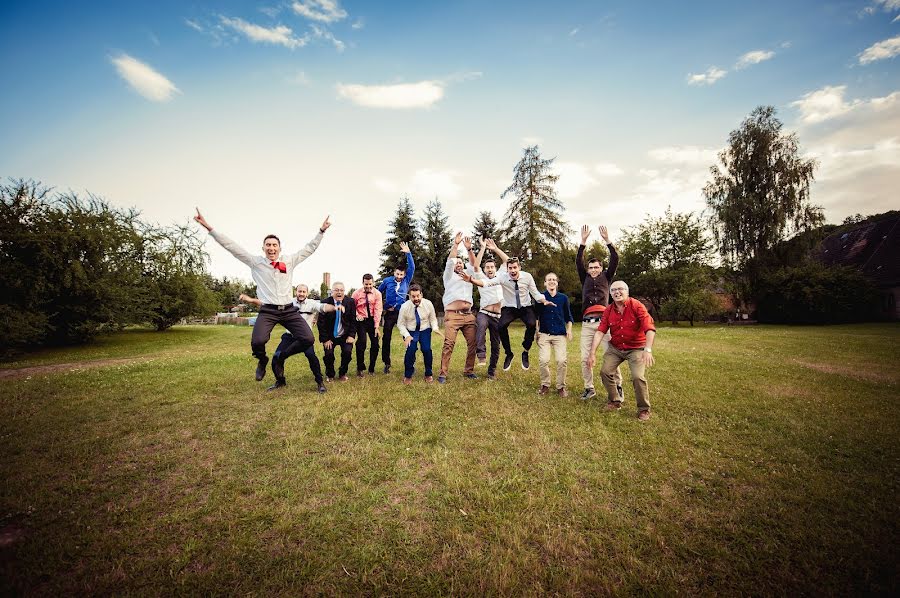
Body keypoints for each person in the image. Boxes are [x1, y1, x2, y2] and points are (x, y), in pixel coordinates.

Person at [193, 209, 330, 386]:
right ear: (263, 248)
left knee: (308, 339)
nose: (271, 248)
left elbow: (309, 248)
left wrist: (321, 231)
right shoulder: (255, 262)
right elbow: (232, 247)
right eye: (268, 245)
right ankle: (263, 360)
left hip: (288, 309)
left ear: (280, 248)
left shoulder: (289, 261)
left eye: (274, 245)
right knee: (258, 341)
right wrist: (208, 227)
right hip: (268, 310)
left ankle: (281, 357)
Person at [239, 285, 336, 393]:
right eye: (299, 291)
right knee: (276, 358)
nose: (301, 294)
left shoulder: (311, 303)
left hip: (304, 339)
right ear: (296, 292)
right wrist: (250, 300)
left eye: (304, 292)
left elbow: (322, 306)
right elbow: (266, 303)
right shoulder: (287, 302)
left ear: (307, 293)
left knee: (311, 356)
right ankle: (280, 381)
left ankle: (320, 383)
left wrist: (334, 307)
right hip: (289, 337)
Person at [587, 281, 656, 421]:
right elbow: (600, 332)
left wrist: (647, 350)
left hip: (636, 348)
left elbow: (649, 328)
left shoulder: (637, 306)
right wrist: (592, 353)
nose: (617, 292)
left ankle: (644, 409)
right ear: (610, 294)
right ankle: (615, 401)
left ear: (627, 291)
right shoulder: (608, 310)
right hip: (616, 347)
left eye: (620, 289)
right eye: (613, 290)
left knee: (638, 376)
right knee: (605, 372)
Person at [479, 239, 551, 371]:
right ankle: (509, 353)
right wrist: (471, 280)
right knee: (501, 326)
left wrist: (543, 300)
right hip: (509, 307)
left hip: (525, 306)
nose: (512, 270)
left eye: (514, 268)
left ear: (519, 268)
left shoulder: (527, 277)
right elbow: (486, 283)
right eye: (510, 268)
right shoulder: (503, 277)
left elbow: (535, 293)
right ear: (507, 269)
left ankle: (525, 350)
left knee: (531, 324)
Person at [576, 224, 622, 401]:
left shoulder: (606, 277)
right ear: (588, 270)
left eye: (596, 267)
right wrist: (583, 242)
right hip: (588, 325)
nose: (594, 270)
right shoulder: (584, 278)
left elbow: (615, 259)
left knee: (611, 356)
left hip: (605, 323)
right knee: (585, 357)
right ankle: (589, 387)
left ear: (601, 269)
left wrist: (608, 241)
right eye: (591, 267)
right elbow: (578, 261)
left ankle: (617, 386)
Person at [438, 232, 481, 383]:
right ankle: (443, 373)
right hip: (453, 315)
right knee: (449, 343)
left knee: (473, 343)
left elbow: (474, 265)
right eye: (457, 263)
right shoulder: (448, 277)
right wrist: (456, 245)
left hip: (469, 315)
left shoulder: (469, 276)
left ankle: (469, 370)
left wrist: (469, 250)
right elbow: (450, 261)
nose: (458, 264)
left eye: (460, 262)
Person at [534, 273, 574, 397]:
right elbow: (536, 316)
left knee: (561, 360)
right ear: (545, 283)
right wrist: (537, 331)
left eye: (553, 280)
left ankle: (561, 387)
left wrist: (569, 330)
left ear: (557, 282)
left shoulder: (563, 298)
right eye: (549, 280)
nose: (551, 281)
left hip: (559, 335)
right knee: (543, 360)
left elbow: (568, 317)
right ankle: (545, 385)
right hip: (544, 334)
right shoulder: (540, 298)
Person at [377, 242, 414, 374]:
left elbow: (412, 267)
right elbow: (377, 293)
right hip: (390, 313)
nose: (399, 276)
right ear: (394, 273)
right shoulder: (387, 281)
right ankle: (386, 363)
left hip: (402, 313)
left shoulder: (406, 280)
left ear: (404, 275)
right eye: (397, 274)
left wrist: (408, 253)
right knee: (387, 337)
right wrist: (383, 307)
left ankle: (410, 361)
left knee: (407, 336)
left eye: (401, 275)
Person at [397, 283, 443, 384]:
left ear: (421, 294)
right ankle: (408, 375)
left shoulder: (428, 304)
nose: (416, 298)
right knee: (410, 351)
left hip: (424, 329)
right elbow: (400, 324)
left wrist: (435, 328)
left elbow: (433, 319)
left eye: (418, 295)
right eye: (413, 296)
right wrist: (407, 335)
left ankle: (428, 374)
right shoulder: (404, 307)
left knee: (426, 350)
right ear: (409, 296)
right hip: (411, 331)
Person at [471, 238, 503, 381]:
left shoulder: (502, 277)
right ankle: (481, 355)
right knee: (481, 326)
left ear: (495, 269)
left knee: (496, 344)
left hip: (498, 316)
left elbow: (507, 262)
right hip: (484, 312)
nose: (489, 269)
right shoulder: (481, 278)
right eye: (487, 267)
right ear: (485, 270)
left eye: (492, 267)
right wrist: (483, 247)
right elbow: (476, 266)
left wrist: (495, 249)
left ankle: (491, 372)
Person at [317, 282, 357, 381]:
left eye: (341, 290)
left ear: (344, 291)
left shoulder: (350, 302)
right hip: (330, 336)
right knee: (329, 354)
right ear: (332, 291)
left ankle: (342, 373)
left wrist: (351, 335)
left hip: (345, 335)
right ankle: (330, 374)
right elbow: (321, 323)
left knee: (347, 352)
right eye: (336, 290)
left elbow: (353, 320)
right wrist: (325, 339)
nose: (339, 292)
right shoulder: (325, 303)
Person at [351, 274, 383, 377]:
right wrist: (357, 315)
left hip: (372, 320)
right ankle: (360, 368)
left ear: (373, 283)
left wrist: (376, 326)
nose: (368, 286)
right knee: (362, 343)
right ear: (362, 283)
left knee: (375, 344)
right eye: (366, 284)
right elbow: (352, 307)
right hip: (361, 320)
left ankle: (371, 369)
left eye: (370, 284)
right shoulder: (356, 293)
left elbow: (378, 310)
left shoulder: (377, 294)